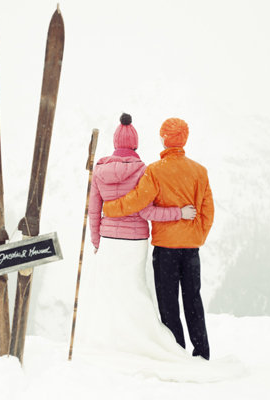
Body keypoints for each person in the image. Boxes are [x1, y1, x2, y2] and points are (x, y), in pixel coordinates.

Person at [76, 113, 202, 381]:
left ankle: (115, 343)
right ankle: (148, 341)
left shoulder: (99, 170)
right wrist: (178, 213)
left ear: (114, 142)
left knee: (112, 293)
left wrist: (98, 241)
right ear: (134, 144)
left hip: (109, 240)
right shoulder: (143, 170)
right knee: (136, 292)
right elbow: (147, 211)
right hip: (135, 242)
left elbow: (94, 210)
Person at [103, 117, 214, 361]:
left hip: (165, 250)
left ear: (164, 138)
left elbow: (136, 202)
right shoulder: (199, 171)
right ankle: (202, 352)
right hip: (191, 249)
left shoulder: (155, 171)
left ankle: (177, 352)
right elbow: (208, 212)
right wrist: (196, 236)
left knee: (168, 303)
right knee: (193, 300)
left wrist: (109, 208)